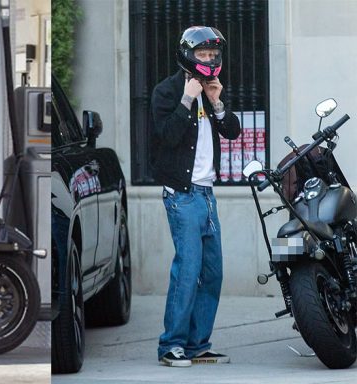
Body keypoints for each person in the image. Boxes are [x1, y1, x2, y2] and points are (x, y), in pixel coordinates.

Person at [150, 26, 241, 367]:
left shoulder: (211, 90)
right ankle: (170, 345)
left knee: (212, 272)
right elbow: (166, 137)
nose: (208, 60)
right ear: (188, 54)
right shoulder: (167, 91)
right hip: (182, 195)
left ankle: (198, 343)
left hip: (207, 194)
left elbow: (232, 131)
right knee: (187, 270)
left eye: (212, 55)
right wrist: (187, 98)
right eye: (202, 54)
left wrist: (216, 102)